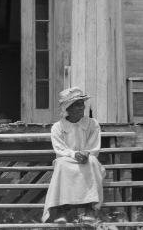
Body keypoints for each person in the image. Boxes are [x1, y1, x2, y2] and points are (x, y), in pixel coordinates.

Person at [42, 87, 106, 224]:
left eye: (82, 104)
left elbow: (94, 146)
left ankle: (90, 208)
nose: (81, 107)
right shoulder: (57, 127)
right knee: (61, 164)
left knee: (93, 162)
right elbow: (59, 149)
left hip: (86, 158)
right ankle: (61, 210)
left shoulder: (92, 124)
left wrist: (86, 153)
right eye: (77, 105)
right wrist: (74, 154)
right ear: (68, 108)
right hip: (67, 160)